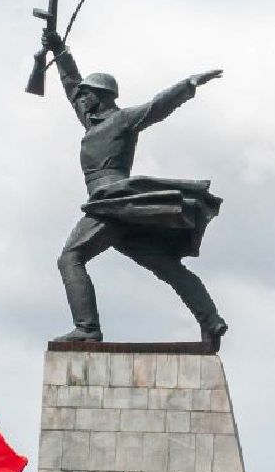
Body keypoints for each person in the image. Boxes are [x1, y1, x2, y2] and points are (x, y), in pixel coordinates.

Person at [38, 25, 229, 346]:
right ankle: (211, 320)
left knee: (70, 258)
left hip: (112, 201)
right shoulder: (92, 122)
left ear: (100, 97)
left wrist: (188, 85)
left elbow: (157, 106)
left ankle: (87, 328)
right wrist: (59, 50)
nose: (79, 99)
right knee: (166, 266)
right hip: (118, 210)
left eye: (86, 94)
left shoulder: (123, 120)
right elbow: (72, 83)